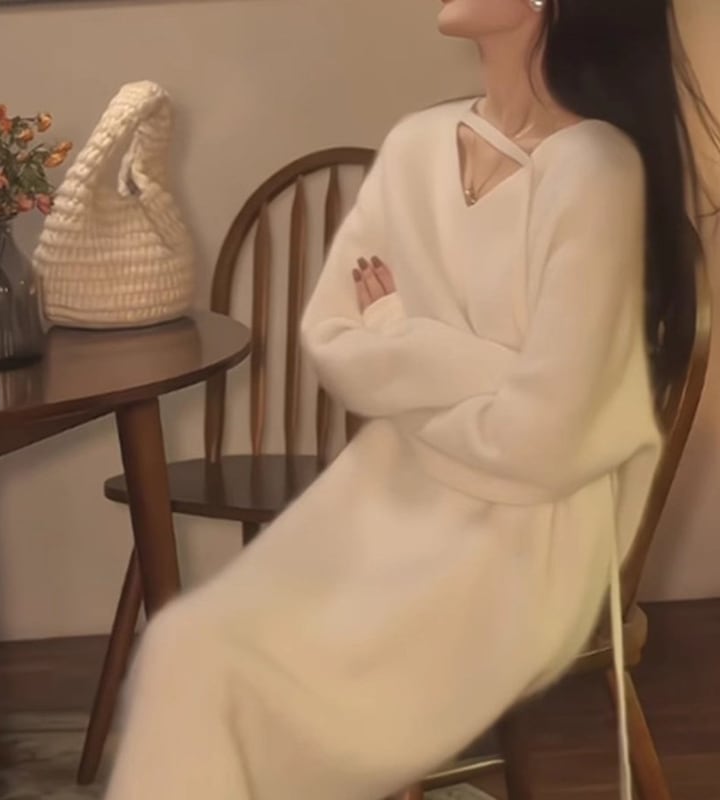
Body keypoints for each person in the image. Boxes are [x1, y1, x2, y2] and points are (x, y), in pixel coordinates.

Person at [104, 1, 718, 799]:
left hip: (529, 530)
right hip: (385, 493)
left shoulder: (595, 170)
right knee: (186, 646)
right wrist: (498, 372)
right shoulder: (416, 145)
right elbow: (332, 338)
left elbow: (545, 440)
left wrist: (406, 341)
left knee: (262, 675)